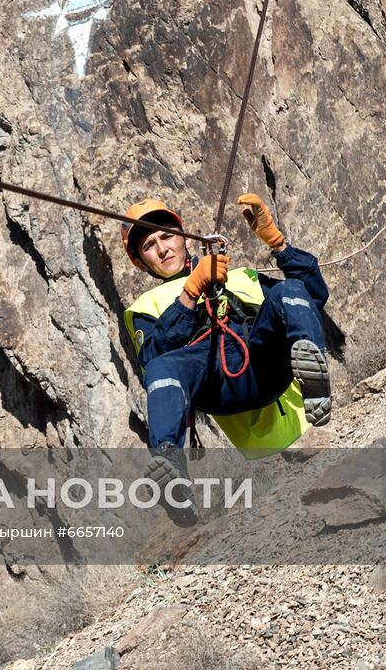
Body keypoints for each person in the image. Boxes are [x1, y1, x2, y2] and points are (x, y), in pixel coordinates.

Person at [119, 194, 333, 487]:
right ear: (140, 261)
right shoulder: (145, 306)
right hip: (214, 383)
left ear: (186, 239)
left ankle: (314, 386)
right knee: (160, 369)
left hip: (262, 364)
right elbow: (152, 359)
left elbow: (313, 296)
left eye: (167, 237)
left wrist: (278, 244)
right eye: (149, 246)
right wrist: (190, 293)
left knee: (290, 290)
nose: (162, 249)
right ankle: (169, 463)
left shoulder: (240, 277)